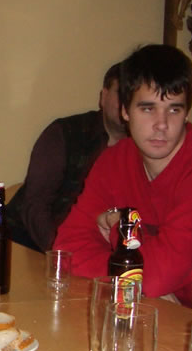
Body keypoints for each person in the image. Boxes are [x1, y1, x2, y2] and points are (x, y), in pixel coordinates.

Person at [54, 44, 192, 308]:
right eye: (148, 109)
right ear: (125, 111)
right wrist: (137, 283)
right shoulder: (114, 160)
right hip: (153, 311)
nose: (161, 125)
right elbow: (67, 251)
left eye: (174, 109)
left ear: (187, 113)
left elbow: (159, 276)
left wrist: (116, 228)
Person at [7, 63, 126, 252]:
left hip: (96, 249)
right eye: (121, 93)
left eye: (133, 96)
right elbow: (36, 205)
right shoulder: (65, 133)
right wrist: (62, 254)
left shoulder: (144, 151)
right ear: (103, 96)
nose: (126, 103)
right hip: (30, 244)